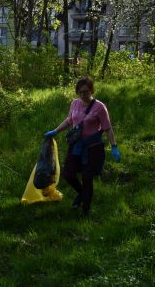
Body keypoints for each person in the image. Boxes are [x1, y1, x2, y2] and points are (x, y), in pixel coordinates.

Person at [44, 76, 121, 215]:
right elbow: (69, 120)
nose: (83, 95)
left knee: (87, 177)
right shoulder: (74, 103)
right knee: (68, 174)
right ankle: (82, 194)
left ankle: (86, 209)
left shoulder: (99, 107)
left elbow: (107, 128)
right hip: (76, 146)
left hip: (93, 148)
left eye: (86, 91)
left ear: (91, 90)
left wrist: (114, 146)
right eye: (80, 92)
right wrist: (55, 131)